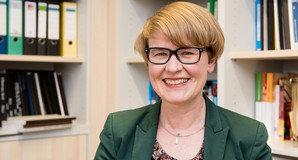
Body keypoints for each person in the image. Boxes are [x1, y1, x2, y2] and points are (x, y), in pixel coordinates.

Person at [94, 1, 272, 160]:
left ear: (211, 61)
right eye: (160, 53)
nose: (172, 68)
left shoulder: (249, 137)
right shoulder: (118, 130)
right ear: (148, 62)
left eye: (187, 53)